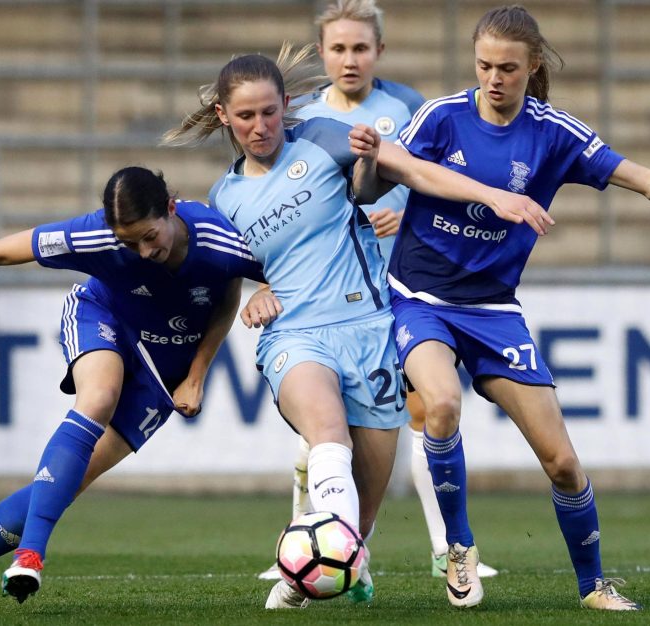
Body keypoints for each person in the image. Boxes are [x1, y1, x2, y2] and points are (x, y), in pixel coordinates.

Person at [354, 4, 650, 611]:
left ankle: (593, 586)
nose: (493, 77)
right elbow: (387, 172)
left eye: (508, 68)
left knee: (564, 462)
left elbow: (647, 180)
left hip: (494, 311)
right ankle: (459, 544)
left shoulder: (555, 135)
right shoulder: (443, 116)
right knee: (440, 403)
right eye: (484, 64)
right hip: (421, 300)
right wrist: (382, 161)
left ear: (533, 66)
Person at [164, 43, 548, 609]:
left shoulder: (320, 138)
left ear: (286, 104)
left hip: (368, 327)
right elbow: (232, 280)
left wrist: (493, 196)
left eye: (270, 112)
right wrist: (251, 302)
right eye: (245, 116)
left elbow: (411, 172)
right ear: (224, 117)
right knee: (327, 434)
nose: (260, 125)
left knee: (362, 511)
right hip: (296, 336)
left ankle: (346, 557)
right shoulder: (225, 198)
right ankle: (304, 574)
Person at [0, 166, 265, 611]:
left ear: (172, 210)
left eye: (149, 237)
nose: (142, 252)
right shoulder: (93, 235)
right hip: (104, 317)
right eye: (128, 243)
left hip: (166, 368)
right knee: (98, 397)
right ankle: (32, 555)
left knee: (67, 482)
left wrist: (199, 371)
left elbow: (244, 286)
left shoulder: (219, 239)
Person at [256, 0, 497, 583]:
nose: (349, 59)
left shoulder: (407, 108)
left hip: (406, 288)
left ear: (379, 52)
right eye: (338, 48)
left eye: (360, 48)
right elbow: (277, 212)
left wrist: (405, 211)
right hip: (332, 299)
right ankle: (309, 542)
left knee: (423, 414)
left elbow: (435, 181)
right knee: (325, 428)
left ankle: (445, 550)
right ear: (321, 52)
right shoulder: (301, 119)